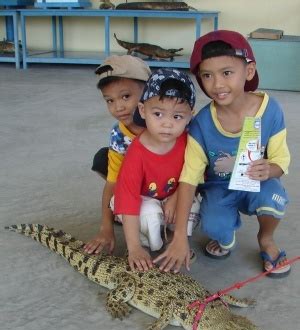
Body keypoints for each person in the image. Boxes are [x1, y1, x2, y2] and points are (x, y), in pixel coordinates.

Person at [155, 30, 291, 277]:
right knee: (215, 225)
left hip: (259, 184)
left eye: (227, 73)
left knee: (274, 199)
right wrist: (179, 237)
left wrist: (269, 170)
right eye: (207, 75)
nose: (217, 84)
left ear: (249, 71)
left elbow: (282, 160)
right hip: (219, 187)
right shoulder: (201, 124)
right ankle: (225, 240)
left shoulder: (270, 110)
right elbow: (189, 178)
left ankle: (266, 239)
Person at [112, 68, 200, 272]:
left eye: (178, 116)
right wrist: (133, 247)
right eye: (158, 113)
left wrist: (176, 197)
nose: (167, 124)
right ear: (142, 111)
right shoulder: (137, 151)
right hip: (144, 199)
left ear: (190, 116)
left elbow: (195, 178)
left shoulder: (188, 143)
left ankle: (175, 241)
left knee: (191, 206)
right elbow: (128, 197)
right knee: (150, 214)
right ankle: (145, 243)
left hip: (171, 196)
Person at [84, 55, 151, 255]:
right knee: (103, 159)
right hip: (139, 183)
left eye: (125, 96)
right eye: (110, 100)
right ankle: (123, 211)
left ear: (148, 91)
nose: (118, 107)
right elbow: (111, 183)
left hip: (169, 184)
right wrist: (106, 228)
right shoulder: (119, 134)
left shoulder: (168, 124)